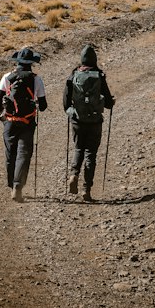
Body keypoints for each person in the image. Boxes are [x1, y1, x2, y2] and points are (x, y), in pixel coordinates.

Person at [62, 43, 115, 202]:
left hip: (78, 120)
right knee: (91, 154)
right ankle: (86, 189)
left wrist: (72, 113)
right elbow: (107, 102)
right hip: (95, 121)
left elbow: (65, 103)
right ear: (94, 59)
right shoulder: (99, 76)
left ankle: (73, 174)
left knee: (79, 148)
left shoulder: (73, 75)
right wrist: (111, 102)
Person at [0, 47, 47, 201]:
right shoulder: (36, 79)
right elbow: (43, 106)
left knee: (10, 154)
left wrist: (5, 116)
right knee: (23, 154)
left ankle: (12, 185)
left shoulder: (7, 77)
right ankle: (18, 185)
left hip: (10, 122)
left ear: (17, 62)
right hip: (28, 121)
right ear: (31, 63)